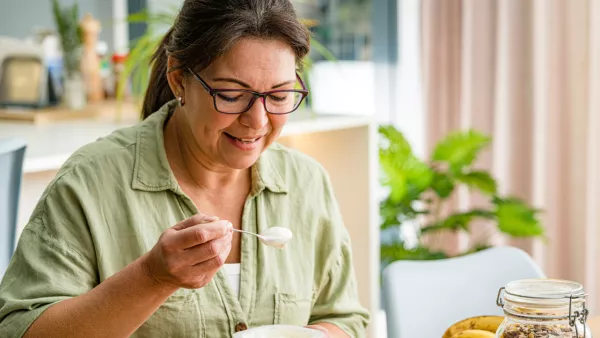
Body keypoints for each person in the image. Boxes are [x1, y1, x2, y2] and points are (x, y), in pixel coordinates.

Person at [0, 0, 370, 337]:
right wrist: (151, 278)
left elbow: (345, 319)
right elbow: (19, 331)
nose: (257, 121)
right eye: (231, 95)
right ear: (179, 78)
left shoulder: (305, 182)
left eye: (278, 95)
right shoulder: (90, 183)